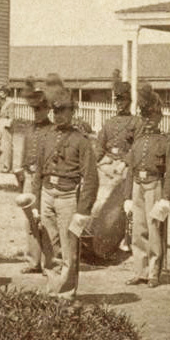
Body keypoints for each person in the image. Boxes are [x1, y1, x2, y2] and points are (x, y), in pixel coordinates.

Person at [31, 87, 98, 299]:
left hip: (68, 196)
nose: (59, 115)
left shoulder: (81, 141)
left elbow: (91, 179)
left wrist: (82, 210)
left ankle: (66, 293)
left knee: (69, 248)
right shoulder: (45, 137)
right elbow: (38, 172)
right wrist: (35, 203)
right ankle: (52, 289)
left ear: (72, 112)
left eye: (63, 111)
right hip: (47, 193)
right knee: (50, 245)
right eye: (56, 111)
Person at [123, 85, 170, 288]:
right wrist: (127, 196)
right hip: (138, 185)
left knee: (154, 229)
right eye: (144, 116)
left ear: (159, 117)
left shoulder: (166, 143)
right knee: (138, 231)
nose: (148, 120)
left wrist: (166, 197)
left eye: (152, 116)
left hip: (155, 185)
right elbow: (130, 170)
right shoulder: (137, 143)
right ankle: (141, 271)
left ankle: (154, 273)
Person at [93, 76, 144, 253]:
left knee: (126, 203)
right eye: (118, 100)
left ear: (130, 101)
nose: (120, 104)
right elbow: (99, 148)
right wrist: (93, 164)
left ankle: (127, 239)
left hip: (125, 167)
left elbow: (137, 149)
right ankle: (99, 235)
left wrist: (124, 163)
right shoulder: (109, 123)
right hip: (107, 165)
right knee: (99, 200)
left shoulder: (137, 123)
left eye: (123, 100)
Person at [13, 78, 59, 274]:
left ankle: (49, 261)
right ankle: (33, 261)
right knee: (30, 221)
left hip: (44, 180)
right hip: (30, 176)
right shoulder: (29, 129)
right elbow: (24, 153)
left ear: (47, 109)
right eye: (35, 110)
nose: (37, 113)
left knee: (46, 221)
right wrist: (21, 170)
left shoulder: (52, 130)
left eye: (40, 109)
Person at [0, 83, 15, 173]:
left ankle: (6, 167)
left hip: (6, 124)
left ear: (6, 93)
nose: (0, 94)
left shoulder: (10, 102)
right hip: (1, 122)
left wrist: (6, 125)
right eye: (0, 92)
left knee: (6, 146)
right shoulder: (0, 101)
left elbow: (12, 116)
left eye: (2, 92)